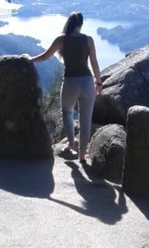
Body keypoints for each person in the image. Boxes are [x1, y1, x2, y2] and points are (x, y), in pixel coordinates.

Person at [26, 11, 102, 163]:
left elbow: (45, 56)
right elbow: (94, 61)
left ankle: (71, 144)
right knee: (85, 120)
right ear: (81, 24)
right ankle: (82, 155)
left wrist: (29, 60)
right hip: (87, 82)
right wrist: (98, 82)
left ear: (69, 22)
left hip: (70, 81)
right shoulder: (88, 40)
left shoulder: (62, 39)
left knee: (67, 112)